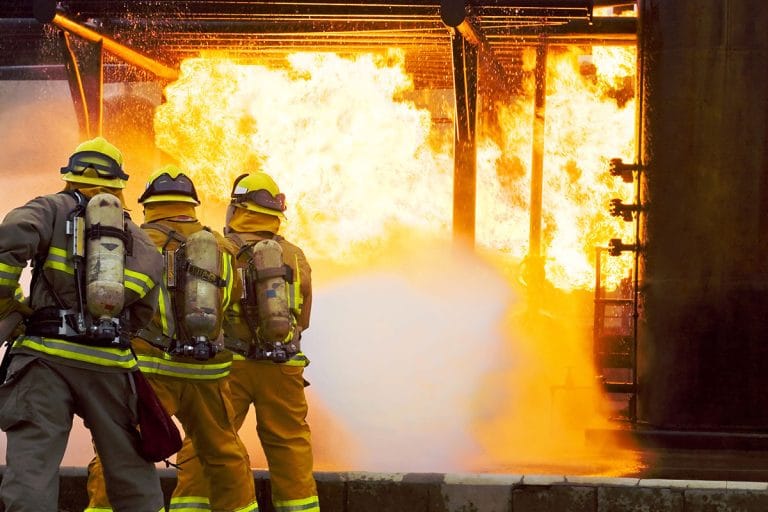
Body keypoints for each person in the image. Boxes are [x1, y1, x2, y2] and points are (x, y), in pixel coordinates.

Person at [0, 137, 166, 511]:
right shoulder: (136, 237)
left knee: (32, 467)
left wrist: (7, 304)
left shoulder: (48, 208)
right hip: (109, 364)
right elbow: (144, 312)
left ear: (70, 174)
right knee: (131, 470)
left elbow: (7, 241)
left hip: (44, 358)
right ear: (119, 185)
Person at [84, 165, 259, 512]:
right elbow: (231, 300)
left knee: (120, 450)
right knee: (223, 453)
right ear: (192, 205)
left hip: (146, 371)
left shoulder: (130, 239)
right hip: (205, 372)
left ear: (148, 204)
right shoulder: (222, 248)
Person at [170, 172, 319, 512]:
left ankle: (190, 507)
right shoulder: (295, 255)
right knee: (290, 444)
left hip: (227, 366)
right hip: (283, 366)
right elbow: (304, 319)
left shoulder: (219, 248)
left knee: (208, 440)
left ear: (237, 209)